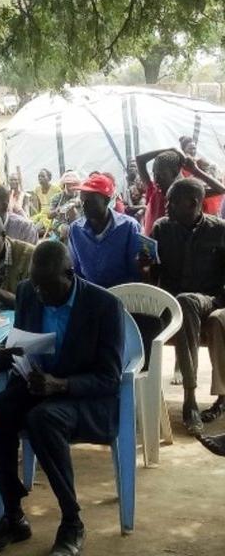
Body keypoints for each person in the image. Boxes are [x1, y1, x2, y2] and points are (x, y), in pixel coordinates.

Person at [0, 241, 124, 556]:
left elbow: (110, 377)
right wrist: (1, 356)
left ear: (69, 274)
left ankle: (72, 522)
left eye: (47, 286)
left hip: (83, 398)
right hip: (37, 386)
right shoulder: (28, 292)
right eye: (36, 285)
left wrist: (61, 385)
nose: (40, 294)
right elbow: (22, 343)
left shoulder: (104, 305)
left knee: (43, 418)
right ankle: (13, 516)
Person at [150, 178, 225, 434]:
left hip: (209, 300)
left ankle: (190, 398)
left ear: (193, 203)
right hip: (171, 302)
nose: (166, 206)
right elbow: (153, 273)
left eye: (173, 202)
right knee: (179, 304)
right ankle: (134, 393)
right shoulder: (162, 228)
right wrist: (146, 265)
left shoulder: (219, 230)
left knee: (187, 302)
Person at [68, 173, 142, 288]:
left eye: (90, 201)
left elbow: (136, 271)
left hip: (123, 293)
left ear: (107, 200)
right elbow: (77, 271)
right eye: (82, 200)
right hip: (91, 293)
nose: (84, 206)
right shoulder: (75, 230)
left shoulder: (129, 227)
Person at [136, 148, 225, 235]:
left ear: (174, 173)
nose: (156, 179)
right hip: (149, 243)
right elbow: (139, 159)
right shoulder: (153, 190)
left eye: (162, 175)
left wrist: (196, 171)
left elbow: (221, 190)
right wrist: (171, 149)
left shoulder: (186, 193)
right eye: (154, 174)